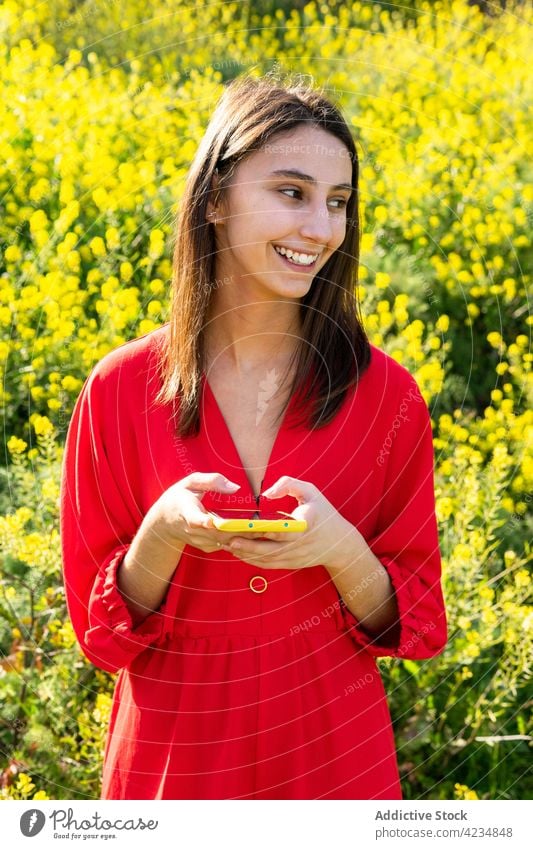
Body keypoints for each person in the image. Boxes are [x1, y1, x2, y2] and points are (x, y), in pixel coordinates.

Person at [60, 71, 448, 800]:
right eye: (292, 192)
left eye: (337, 203)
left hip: (334, 764)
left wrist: (338, 549)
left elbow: (415, 620)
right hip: (174, 767)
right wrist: (162, 535)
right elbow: (100, 635)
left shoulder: (387, 396)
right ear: (214, 199)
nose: (319, 228)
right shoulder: (117, 390)